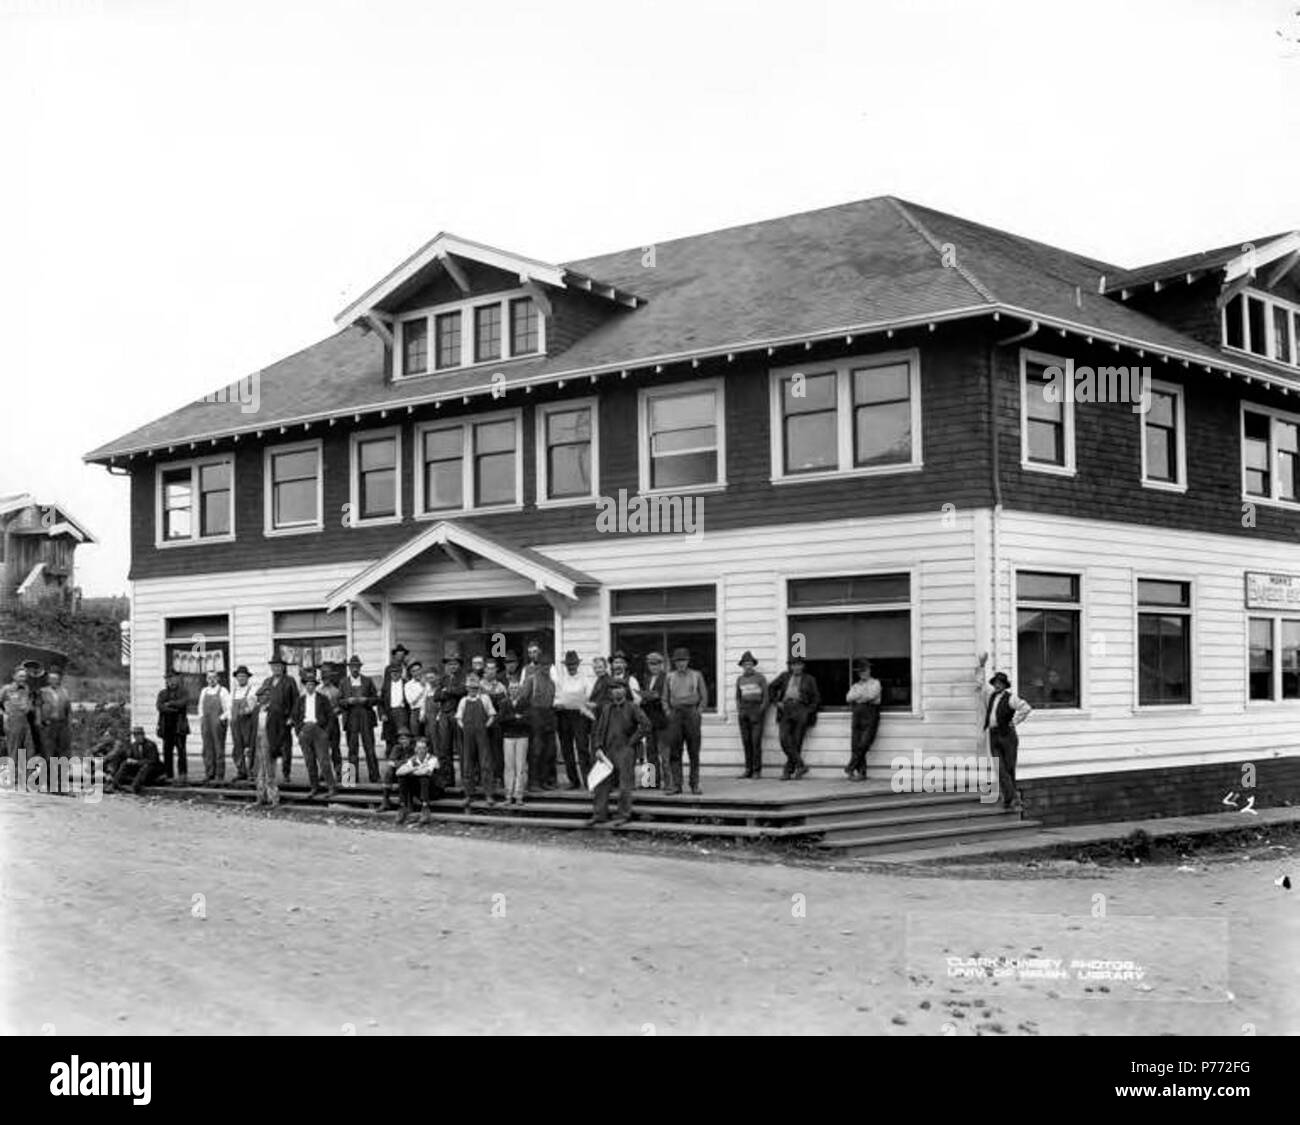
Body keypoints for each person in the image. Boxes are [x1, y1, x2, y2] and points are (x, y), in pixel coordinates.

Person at [588, 680, 651, 828]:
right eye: (613, 689)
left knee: (624, 785)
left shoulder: (632, 707)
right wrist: (598, 747)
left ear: (625, 690)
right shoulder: (607, 708)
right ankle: (599, 815)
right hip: (608, 751)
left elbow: (646, 725)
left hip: (625, 750)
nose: (616, 691)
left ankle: (623, 815)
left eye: (619, 688)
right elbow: (600, 728)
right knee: (601, 783)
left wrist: (632, 741)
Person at [984, 671, 1032, 810]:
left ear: (1004, 685)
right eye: (996, 683)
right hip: (993, 734)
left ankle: (1009, 799)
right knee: (999, 767)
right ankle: (1013, 797)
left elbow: (1026, 708)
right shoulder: (990, 696)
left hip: (1007, 735)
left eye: (1000, 683)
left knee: (1009, 767)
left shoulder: (1011, 698)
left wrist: (1015, 721)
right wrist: (981, 666)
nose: (997, 685)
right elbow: (980, 685)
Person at [663, 647, 708, 795]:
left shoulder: (696, 675)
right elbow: (664, 697)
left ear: (688, 661)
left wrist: (699, 711)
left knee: (693, 751)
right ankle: (676, 784)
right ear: (674, 662)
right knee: (675, 751)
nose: (681, 663)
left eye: (683, 660)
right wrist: (668, 712)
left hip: (691, 713)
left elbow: (704, 696)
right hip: (675, 714)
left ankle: (694, 784)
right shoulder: (669, 677)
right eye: (678, 661)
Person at [768, 656, 820, 780]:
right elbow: (771, 688)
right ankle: (800, 765)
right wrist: (776, 702)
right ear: (790, 666)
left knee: (796, 742)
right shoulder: (784, 676)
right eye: (794, 665)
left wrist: (808, 711)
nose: (796, 667)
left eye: (799, 664)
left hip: (801, 709)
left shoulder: (809, 679)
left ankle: (788, 771)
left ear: (803, 666)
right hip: (786, 709)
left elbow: (816, 698)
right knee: (784, 739)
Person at [292, 668, 338, 799]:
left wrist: (326, 732)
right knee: (309, 761)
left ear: (316, 686)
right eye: (307, 684)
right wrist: (299, 732)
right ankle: (314, 787)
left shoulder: (322, 699)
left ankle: (331, 787)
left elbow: (331, 716)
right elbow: (295, 717)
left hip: (319, 730)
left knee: (323, 760)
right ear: (305, 685)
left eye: (312, 684)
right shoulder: (300, 700)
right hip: (305, 731)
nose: (310, 686)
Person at [554, 650, 596, 790]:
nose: (571, 667)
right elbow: (556, 697)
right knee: (566, 749)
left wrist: (583, 703)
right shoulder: (561, 679)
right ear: (566, 666)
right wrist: (558, 703)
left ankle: (588, 780)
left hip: (580, 715)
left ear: (578, 665)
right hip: (564, 715)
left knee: (582, 747)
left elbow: (589, 696)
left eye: (573, 664)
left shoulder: (585, 679)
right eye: (569, 665)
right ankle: (573, 780)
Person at [518, 647, 557, 792]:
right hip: (535, 715)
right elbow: (522, 699)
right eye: (543, 665)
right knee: (536, 750)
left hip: (548, 715)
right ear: (539, 666)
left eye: (548, 665)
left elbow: (553, 700)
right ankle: (533, 782)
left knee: (549, 751)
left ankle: (544, 780)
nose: (546, 668)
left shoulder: (552, 683)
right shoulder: (531, 680)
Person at [456, 675, 497, 809]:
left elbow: (492, 715)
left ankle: (489, 794)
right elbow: (459, 718)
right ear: (467, 688)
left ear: (479, 688)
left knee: (485, 763)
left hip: (482, 734)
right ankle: (469, 794)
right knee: (468, 764)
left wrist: (485, 726)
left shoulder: (485, 699)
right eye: (470, 688)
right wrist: (464, 727)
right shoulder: (463, 701)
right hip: (468, 735)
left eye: (475, 688)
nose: (473, 690)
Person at [340, 655, 380, 783]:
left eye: (357, 666)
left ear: (360, 667)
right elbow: (339, 701)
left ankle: (375, 777)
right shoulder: (343, 682)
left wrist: (367, 700)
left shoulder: (367, 681)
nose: (355, 669)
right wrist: (348, 701)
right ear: (349, 668)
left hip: (365, 716)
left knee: (369, 747)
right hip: (351, 716)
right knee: (352, 749)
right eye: (352, 667)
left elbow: (376, 699)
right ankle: (350, 778)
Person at [430, 654, 465, 788]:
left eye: (455, 664)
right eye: (450, 664)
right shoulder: (443, 679)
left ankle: (464, 780)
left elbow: (463, 691)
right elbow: (436, 696)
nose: (452, 666)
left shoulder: (463, 678)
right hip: (444, 715)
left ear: (459, 665)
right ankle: (448, 779)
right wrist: (448, 692)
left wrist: (448, 691)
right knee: (445, 749)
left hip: (458, 714)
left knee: (462, 748)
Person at [262, 656, 299, 784]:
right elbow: (261, 698)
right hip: (271, 720)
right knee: (271, 747)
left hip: (284, 720)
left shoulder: (290, 681)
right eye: (274, 666)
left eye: (278, 666)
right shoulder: (267, 681)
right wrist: (264, 704)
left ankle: (286, 773)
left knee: (285, 748)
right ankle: (271, 775)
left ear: (283, 667)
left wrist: (292, 718)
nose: (276, 668)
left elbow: (296, 701)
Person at [845, 658, 882, 781]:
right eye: (860, 671)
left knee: (864, 743)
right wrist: (861, 695)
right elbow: (849, 698)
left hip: (871, 713)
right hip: (857, 714)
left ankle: (851, 766)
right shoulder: (855, 685)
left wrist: (859, 696)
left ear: (869, 670)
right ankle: (861, 772)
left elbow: (871, 696)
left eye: (865, 670)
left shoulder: (875, 683)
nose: (863, 673)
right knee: (855, 744)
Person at [734, 652, 768, 779]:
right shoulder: (740, 679)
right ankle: (748, 769)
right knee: (746, 741)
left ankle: (757, 770)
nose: (748, 666)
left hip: (756, 709)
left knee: (755, 741)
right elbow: (737, 696)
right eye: (745, 664)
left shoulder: (760, 678)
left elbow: (766, 696)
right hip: (744, 710)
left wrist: (761, 710)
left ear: (753, 665)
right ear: (742, 666)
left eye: (750, 664)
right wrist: (739, 709)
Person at [394, 736, 444, 825]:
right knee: (403, 778)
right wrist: (415, 769)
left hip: (434, 790)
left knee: (423, 777)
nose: (420, 750)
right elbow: (398, 772)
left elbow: (425, 772)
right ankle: (402, 807)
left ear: (427, 749)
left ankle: (425, 808)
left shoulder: (432, 759)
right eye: (418, 748)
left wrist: (410, 771)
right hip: (420, 791)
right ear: (415, 749)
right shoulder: (413, 759)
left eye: (423, 748)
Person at [639, 652, 670, 789]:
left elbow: (669, 698)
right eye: (651, 664)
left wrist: (657, 697)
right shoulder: (646, 678)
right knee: (650, 752)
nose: (654, 667)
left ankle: (669, 782)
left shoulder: (667, 678)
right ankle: (651, 782)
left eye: (656, 664)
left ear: (661, 665)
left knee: (665, 753)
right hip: (649, 719)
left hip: (663, 719)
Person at [498, 678, 530, 806]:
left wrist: (511, 719)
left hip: (522, 736)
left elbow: (528, 720)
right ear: (508, 690)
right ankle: (508, 795)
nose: (514, 690)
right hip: (508, 736)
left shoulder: (525, 703)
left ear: (520, 690)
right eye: (511, 688)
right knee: (509, 766)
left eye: (516, 688)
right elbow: (501, 720)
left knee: (521, 766)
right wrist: (515, 717)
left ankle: (519, 795)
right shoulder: (504, 703)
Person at [197, 669, 232, 783]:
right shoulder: (204, 691)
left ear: (218, 679)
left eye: (214, 677)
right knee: (207, 748)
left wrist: (221, 719)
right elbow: (200, 707)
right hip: (206, 723)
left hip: (217, 723)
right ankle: (209, 773)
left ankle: (219, 774)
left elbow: (228, 709)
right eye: (209, 678)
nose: (211, 680)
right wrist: (202, 718)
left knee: (218, 748)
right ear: (207, 679)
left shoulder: (223, 691)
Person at [106, 726, 163, 794]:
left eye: (139, 735)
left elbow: (153, 760)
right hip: (139, 766)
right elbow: (130, 757)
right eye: (135, 735)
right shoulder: (134, 745)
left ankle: (134, 787)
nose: (137, 737)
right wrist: (130, 761)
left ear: (143, 735)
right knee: (125, 764)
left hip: (152, 768)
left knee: (146, 766)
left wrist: (137, 762)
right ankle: (114, 784)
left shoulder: (150, 745)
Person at [155, 671, 190, 782]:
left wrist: (169, 704)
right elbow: (160, 706)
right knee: (167, 751)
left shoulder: (183, 692)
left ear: (178, 679)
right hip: (166, 726)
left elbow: (182, 703)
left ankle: (182, 774)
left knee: (181, 751)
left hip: (179, 725)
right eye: (168, 679)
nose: (171, 681)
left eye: (173, 679)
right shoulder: (162, 693)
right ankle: (168, 774)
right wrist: (173, 709)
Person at [250, 684, 280, 807]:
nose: (264, 698)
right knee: (259, 770)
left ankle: (274, 798)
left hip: (269, 740)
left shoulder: (275, 709)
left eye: (266, 695)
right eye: (261, 696)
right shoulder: (256, 710)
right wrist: (249, 745)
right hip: (257, 740)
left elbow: (280, 729)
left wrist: (277, 745)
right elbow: (252, 728)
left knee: (270, 770)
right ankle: (260, 797)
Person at [228, 665, 259, 781]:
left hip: (247, 722)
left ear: (247, 678)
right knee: (237, 747)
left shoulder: (252, 690)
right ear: (236, 678)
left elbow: (254, 707)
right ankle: (241, 771)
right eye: (239, 676)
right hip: (235, 723)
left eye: (243, 676)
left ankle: (251, 772)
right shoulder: (233, 692)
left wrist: (247, 710)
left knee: (249, 746)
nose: (241, 679)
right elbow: (229, 707)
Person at [481, 658, 507, 787]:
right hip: (482, 721)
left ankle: (499, 777)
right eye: (488, 669)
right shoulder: (479, 686)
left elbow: (504, 706)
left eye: (493, 669)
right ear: (484, 670)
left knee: (497, 751)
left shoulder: (501, 686)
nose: (490, 671)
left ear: (496, 670)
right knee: (484, 751)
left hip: (496, 722)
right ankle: (485, 778)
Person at [38, 668, 73, 761]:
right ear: (48, 680)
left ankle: (62, 769)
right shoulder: (43, 691)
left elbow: (68, 708)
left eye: (56, 679)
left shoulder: (64, 692)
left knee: (63, 746)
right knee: (49, 747)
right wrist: (39, 721)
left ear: (59, 680)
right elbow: (38, 707)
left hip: (62, 723)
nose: (53, 681)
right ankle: (49, 769)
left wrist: (69, 721)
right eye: (51, 679)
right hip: (48, 723)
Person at [318, 663, 345, 779]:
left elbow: (341, 706)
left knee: (335, 748)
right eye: (324, 676)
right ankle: (324, 772)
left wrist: (337, 710)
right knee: (322, 748)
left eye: (328, 676)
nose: (326, 679)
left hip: (333, 722)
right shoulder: (317, 691)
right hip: (322, 724)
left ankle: (339, 772)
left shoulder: (336, 691)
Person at [1, 667, 35, 757]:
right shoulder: (6, 689)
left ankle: (26, 770)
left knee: (28, 747)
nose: (23, 679)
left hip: (25, 720)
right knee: (14, 748)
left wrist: (29, 706)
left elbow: (29, 701)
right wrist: (3, 715)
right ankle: (13, 769)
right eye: (20, 676)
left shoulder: (26, 688)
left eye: (24, 676)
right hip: (12, 721)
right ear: (14, 676)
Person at [379, 730, 414, 812]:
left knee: (405, 773)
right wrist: (403, 762)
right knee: (389, 771)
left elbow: (412, 763)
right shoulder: (397, 748)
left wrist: (398, 763)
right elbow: (391, 762)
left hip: (410, 775)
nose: (403, 741)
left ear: (409, 740)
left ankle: (407, 802)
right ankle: (385, 800)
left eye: (405, 739)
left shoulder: (413, 749)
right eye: (401, 739)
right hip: (397, 773)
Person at [378, 664, 410, 754]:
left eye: (397, 672)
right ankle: (390, 759)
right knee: (389, 737)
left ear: (400, 673)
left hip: (402, 712)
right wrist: (382, 714)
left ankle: (403, 756)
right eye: (393, 672)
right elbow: (380, 702)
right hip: (389, 712)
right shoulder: (386, 685)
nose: (395, 674)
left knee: (402, 735)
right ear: (390, 673)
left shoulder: (406, 683)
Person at [403, 661, 427, 738]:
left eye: (418, 670)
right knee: (416, 736)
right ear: (410, 673)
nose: (417, 673)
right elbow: (411, 701)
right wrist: (422, 687)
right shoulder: (408, 685)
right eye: (414, 671)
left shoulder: (428, 681)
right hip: (416, 711)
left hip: (428, 711)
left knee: (428, 736)